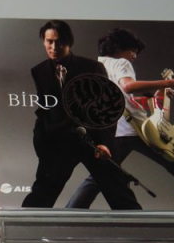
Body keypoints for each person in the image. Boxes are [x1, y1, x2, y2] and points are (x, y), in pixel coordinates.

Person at [65, 28, 174, 210]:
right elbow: (128, 86)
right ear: (119, 47)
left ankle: (71, 211)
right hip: (138, 130)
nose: (134, 56)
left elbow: (120, 97)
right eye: (133, 50)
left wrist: (153, 95)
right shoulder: (121, 63)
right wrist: (170, 82)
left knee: (100, 176)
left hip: (114, 132)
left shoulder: (96, 66)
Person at [22, 20, 141, 210]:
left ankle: (139, 225)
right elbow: (44, 110)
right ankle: (23, 227)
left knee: (119, 192)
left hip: (93, 142)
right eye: (49, 41)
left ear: (69, 42)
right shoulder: (39, 71)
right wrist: (42, 143)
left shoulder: (91, 67)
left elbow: (107, 108)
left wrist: (104, 143)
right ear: (44, 41)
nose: (54, 47)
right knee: (41, 195)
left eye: (59, 42)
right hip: (59, 144)